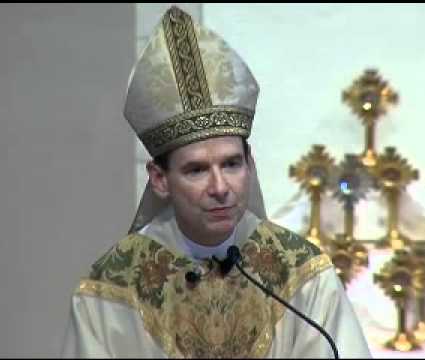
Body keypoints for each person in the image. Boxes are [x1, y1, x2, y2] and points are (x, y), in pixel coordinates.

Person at [61, 6, 371, 358]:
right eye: (196, 170)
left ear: (250, 165)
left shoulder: (301, 276)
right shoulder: (112, 289)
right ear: (160, 179)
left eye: (232, 164)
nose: (220, 186)